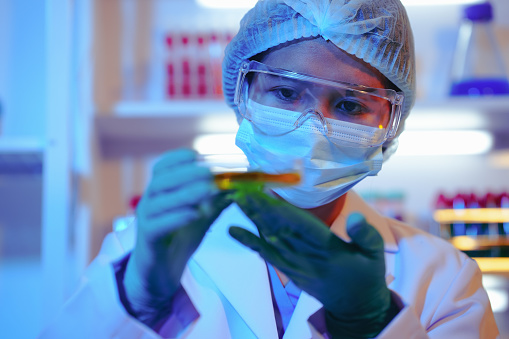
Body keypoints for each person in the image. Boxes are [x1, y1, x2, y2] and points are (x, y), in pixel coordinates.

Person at [40, 0, 499, 338]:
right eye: (285, 93)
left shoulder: (444, 278)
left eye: (349, 104)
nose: (313, 128)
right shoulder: (142, 249)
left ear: (391, 125)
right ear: (244, 94)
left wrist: (374, 322)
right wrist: (141, 295)